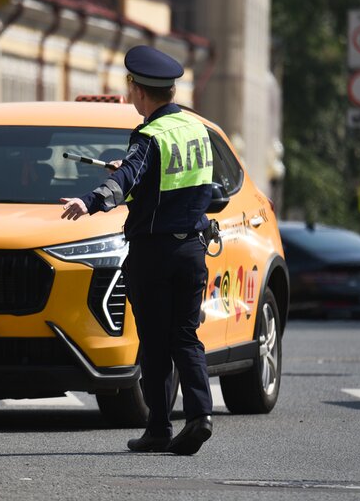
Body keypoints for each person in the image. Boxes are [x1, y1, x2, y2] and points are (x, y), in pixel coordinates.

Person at [60, 45, 214, 455]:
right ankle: (200, 415)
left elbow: (127, 177)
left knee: (154, 342)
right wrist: (135, 177)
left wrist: (89, 202)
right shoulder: (197, 129)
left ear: (138, 91)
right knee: (186, 336)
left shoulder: (149, 136)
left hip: (154, 254)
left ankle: (159, 427)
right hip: (192, 248)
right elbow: (175, 185)